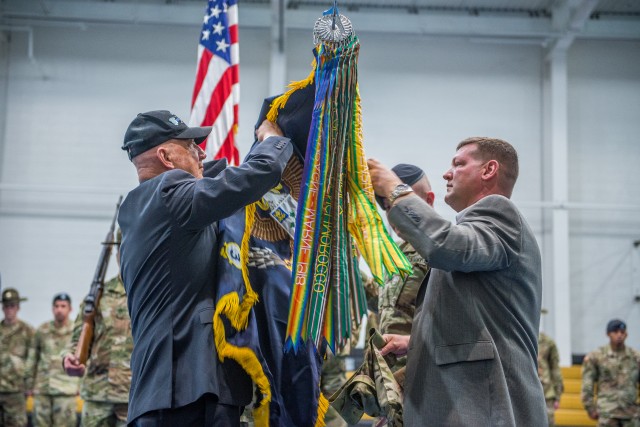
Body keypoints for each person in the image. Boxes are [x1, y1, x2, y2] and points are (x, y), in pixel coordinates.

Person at [117, 110, 293, 426]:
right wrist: (272, 141)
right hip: (188, 396)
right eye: (191, 145)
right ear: (165, 156)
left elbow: (215, 181)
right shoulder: (171, 193)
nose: (202, 152)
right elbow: (252, 178)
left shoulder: (144, 205)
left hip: (166, 395)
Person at [368, 137, 547, 426]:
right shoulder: (477, 234)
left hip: (485, 408)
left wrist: (395, 188)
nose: (447, 173)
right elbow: (481, 322)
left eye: (459, 164)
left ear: (489, 170)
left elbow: (445, 246)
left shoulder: (500, 213)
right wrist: (414, 343)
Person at [63, 274, 133, 427]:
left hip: (132, 394)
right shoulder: (99, 293)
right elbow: (78, 337)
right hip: (97, 393)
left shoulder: (148, 290)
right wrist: (71, 358)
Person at [26, 292, 78, 426]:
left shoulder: (76, 331)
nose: (59, 309)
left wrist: (81, 385)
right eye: (56, 306)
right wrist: (29, 384)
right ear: (52, 309)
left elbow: (84, 360)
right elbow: (33, 358)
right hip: (43, 389)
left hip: (66, 390)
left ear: (70, 309)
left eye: (63, 306)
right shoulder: (42, 330)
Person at [581, 319, 640, 426]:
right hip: (607, 413)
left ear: (626, 334)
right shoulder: (597, 356)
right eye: (615, 332)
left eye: (622, 332)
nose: (619, 335)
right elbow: (587, 384)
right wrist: (590, 407)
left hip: (631, 414)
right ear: (608, 334)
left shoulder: (635, 357)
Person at [0, 288, 35, 427]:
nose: (9, 310)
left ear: (18, 307)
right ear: (3, 308)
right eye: (7, 306)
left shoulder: (28, 331)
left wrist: (30, 385)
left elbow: (32, 360)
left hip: (16, 391)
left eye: (12, 306)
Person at [538, 329, 564, 426]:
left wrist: (557, 395)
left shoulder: (548, 342)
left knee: (548, 422)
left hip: (546, 392)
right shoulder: (520, 337)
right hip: (524, 391)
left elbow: (555, 368)